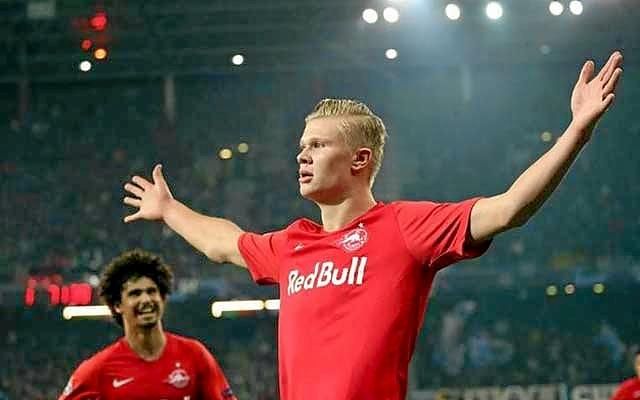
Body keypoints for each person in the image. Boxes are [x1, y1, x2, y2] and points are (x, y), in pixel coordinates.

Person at [123, 52, 623, 399]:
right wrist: (169, 209)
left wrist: (576, 132)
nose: (302, 154)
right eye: (302, 146)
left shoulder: (405, 227)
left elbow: (510, 208)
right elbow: (224, 243)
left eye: (318, 145)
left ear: (360, 159)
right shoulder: (294, 244)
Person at [58, 249, 236, 400]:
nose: (146, 299)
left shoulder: (195, 355)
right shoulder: (98, 370)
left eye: (151, 291)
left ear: (162, 298)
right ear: (118, 305)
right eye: (135, 294)